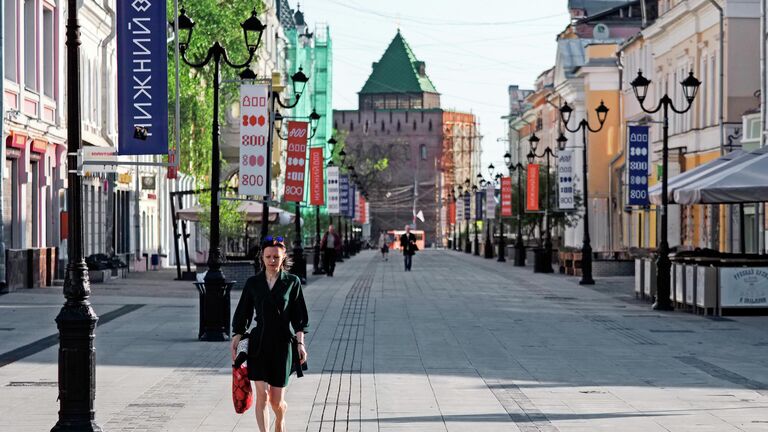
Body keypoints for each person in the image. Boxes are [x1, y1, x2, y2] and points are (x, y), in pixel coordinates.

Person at [231, 235, 309, 432]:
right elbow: (243, 312)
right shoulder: (253, 283)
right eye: (268, 257)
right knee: (262, 397)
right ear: (262, 258)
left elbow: (299, 317)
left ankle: (280, 421)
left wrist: (300, 344)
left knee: (276, 401)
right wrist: (237, 336)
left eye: (276, 256)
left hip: (282, 345)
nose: (272, 260)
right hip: (259, 344)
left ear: (283, 257)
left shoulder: (292, 282)